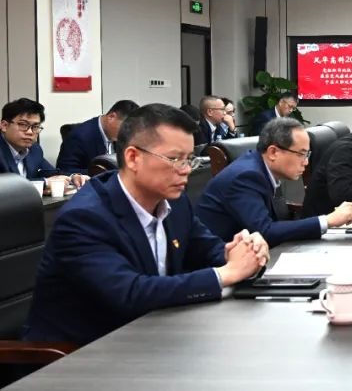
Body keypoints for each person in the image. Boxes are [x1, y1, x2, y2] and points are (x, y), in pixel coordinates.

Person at [22, 104, 268, 345]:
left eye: (189, 160)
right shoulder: (84, 218)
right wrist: (227, 273)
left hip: (154, 336)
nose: (186, 170)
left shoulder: (174, 202)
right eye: (175, 159)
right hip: (81, 353)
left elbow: (206, 249)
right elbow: (130, 293)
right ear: (133, 157)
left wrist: (242, 252)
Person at [198, 118, 352, 247]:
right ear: (273, 152)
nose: (306, 162)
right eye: (301, 154)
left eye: (307, 154)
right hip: (221, 265)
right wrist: (328, 220)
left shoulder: (262, 168)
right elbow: (264, 231)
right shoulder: (246, 177)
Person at [0, 98, 88, 187]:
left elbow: (51, 172)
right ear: (4, 126)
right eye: (23, 125)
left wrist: (72, 177)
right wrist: (45, 182)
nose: (30, 132)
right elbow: (5, 185)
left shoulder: (34, 149)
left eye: (35, 126)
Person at [56, 99, 139, 174]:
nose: (128, 133)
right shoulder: (78, 137)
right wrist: (98, 172)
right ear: (111, 117)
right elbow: (64, 170)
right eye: (125, 127)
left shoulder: (121, 136)